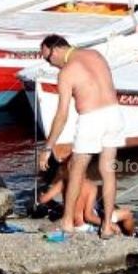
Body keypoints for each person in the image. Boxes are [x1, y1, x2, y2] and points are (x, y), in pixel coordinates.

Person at [36, 35, 124, 239]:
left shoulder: (67, 72)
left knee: (76, 169)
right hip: (114, 114)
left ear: (55, 50)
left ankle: (67, 222)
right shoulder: (96, 54)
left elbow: (62, 115)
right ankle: (107, 227)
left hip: (92, 119)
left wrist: (48, 148)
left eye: (48, 59)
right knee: (108, 170)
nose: (50, 64)